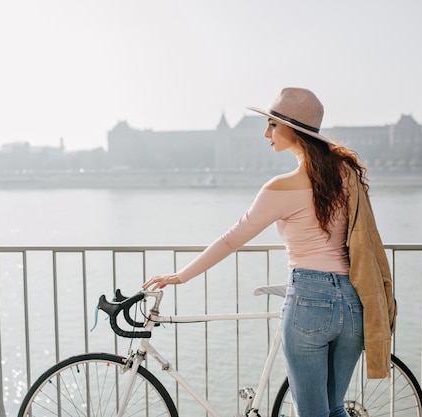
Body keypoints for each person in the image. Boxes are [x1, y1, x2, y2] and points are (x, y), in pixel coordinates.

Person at [143, 87, 396, 417]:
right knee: (335, 408)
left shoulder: (280, 187)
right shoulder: (346, 175)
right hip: (353, 301)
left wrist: (181, 275)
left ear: (292, 129)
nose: (266, 134)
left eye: (272, 125)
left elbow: (232, 239)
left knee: (312, 412)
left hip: (309, 300)